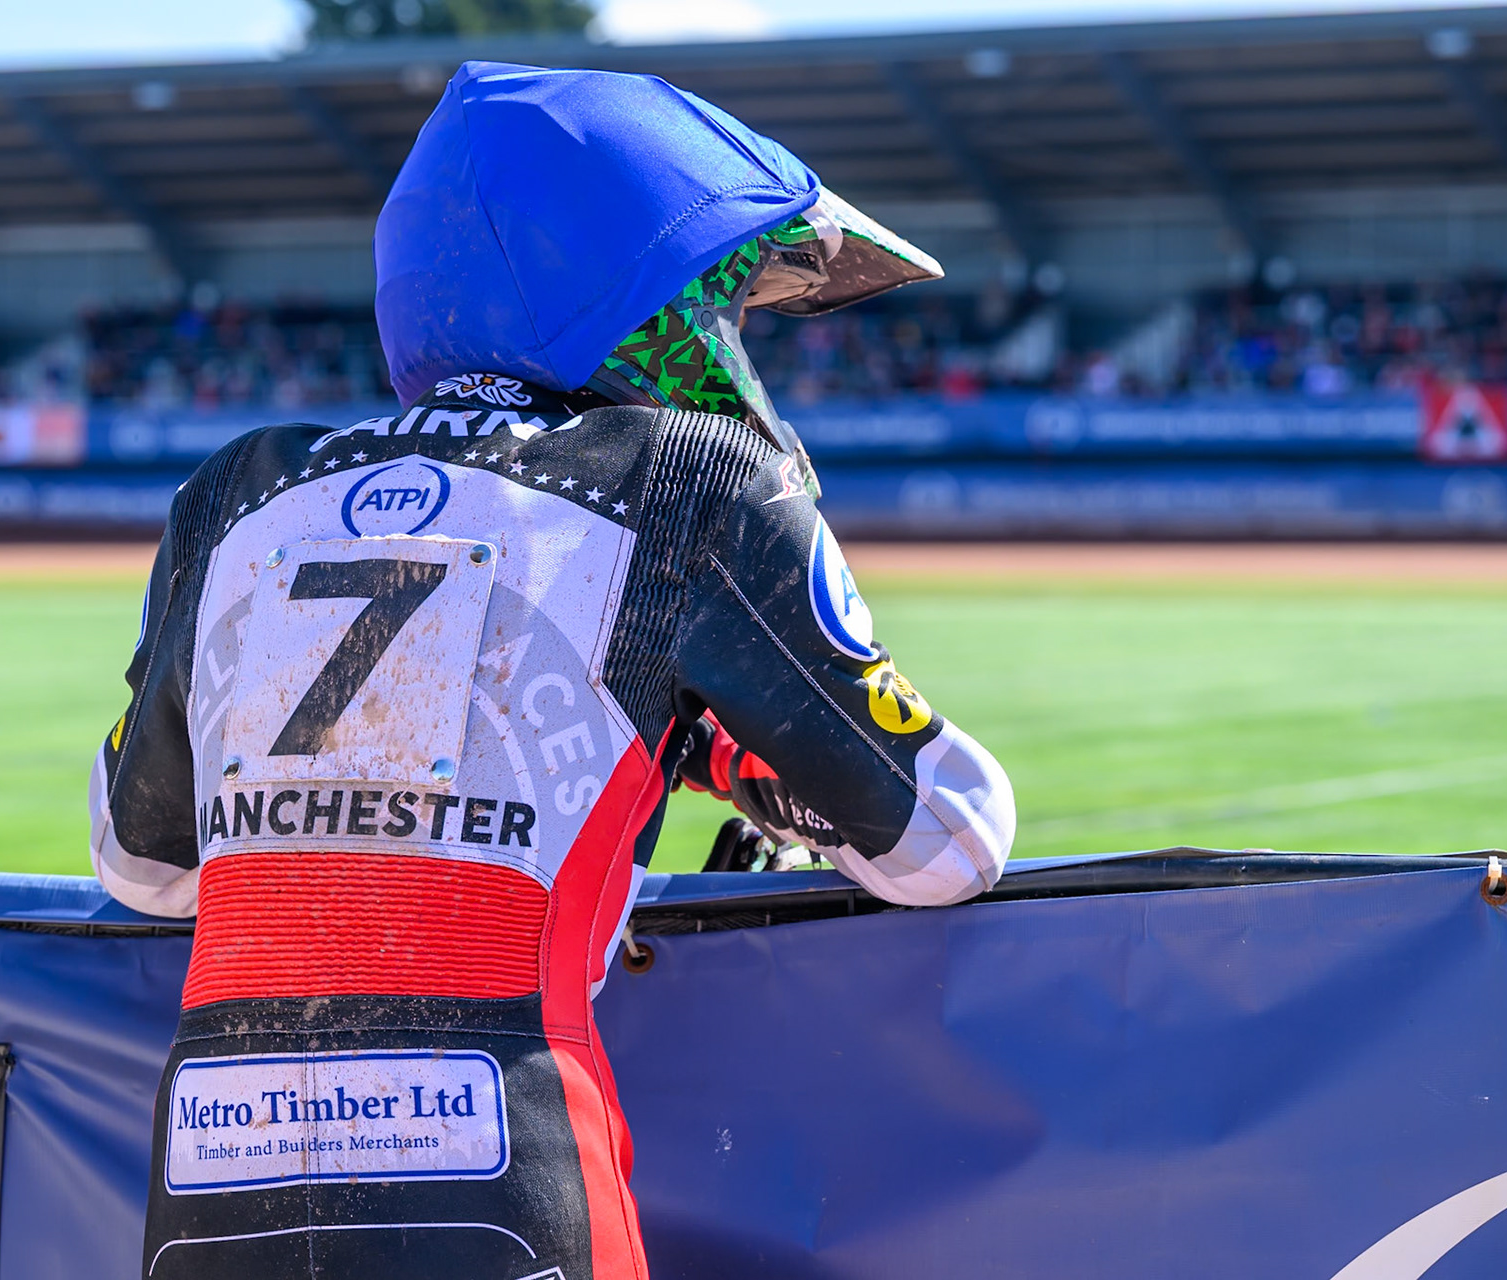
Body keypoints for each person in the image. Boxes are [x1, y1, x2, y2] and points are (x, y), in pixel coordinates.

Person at [91, 61, 1015, 1280]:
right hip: (507, 1179)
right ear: (636, 299)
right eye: (722, 310)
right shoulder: (692, 482)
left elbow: (140, 863)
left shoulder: (237, 489)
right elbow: (950, 840)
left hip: (206, 1197)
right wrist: (720, 754)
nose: (731, 349)